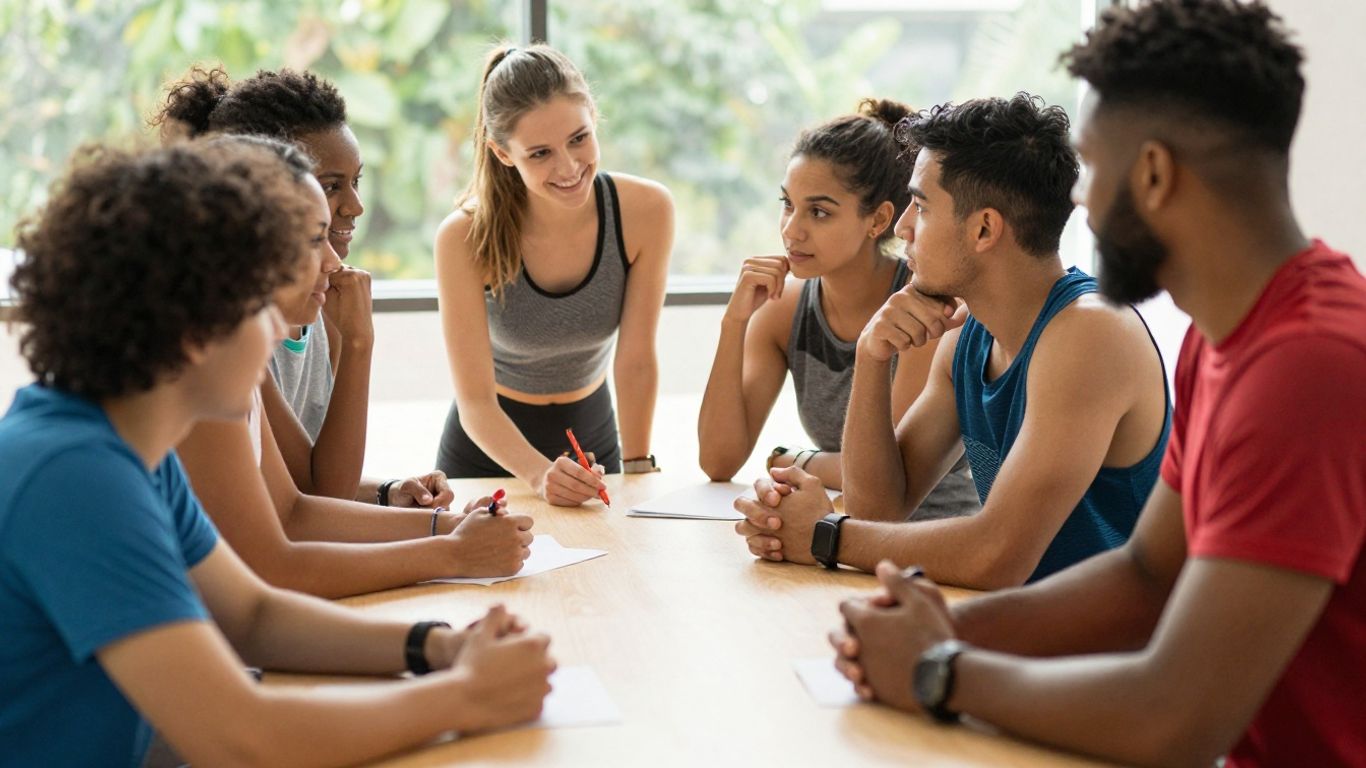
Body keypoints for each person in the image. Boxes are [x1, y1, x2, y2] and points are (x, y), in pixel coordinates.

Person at [828, 2, 1366, 766]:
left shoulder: (1309, 367)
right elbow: (1147, 575)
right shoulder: (1227, 339)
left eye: (1094, 166)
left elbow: (1176, 719)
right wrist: (942, 632)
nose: (1078, 200)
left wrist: (937, 669)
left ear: (1151, 172)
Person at [0, 141, 554, 766]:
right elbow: (241, 738)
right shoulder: (74, 477)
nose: (274, 331)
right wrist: (468, 698)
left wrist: (439, 648)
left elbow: (253, 615)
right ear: (190, 324)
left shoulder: (126, 451)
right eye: (259, 303)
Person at [735, 93, 1171, 589]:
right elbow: (879, 509)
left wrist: (824, 536)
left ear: (984, 228)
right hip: (1028, 634)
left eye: (919, 207)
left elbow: (997, 555)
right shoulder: (969, 335)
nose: (902, 229)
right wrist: (871, 356)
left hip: (1113, 653)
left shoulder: (1093, 334)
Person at [156, 65, 444, 508]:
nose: (357, 205)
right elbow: (314, 496)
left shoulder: (319, 298)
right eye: (332, 185)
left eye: (356, 181)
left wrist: (388, 494)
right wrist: (360, 345)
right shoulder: (234, 324)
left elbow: (305, 488)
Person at [697, 99, 978, 519]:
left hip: (933, 539)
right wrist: (734, 322)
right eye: (788, 204)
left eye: (819, 212)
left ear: (879, 219)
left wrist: (790, 458)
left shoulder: (925, 310)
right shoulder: (782, 312)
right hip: (845, 530)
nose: (792, 230)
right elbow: (719, 461)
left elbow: (884, 478)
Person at [434, 43, 674, 506]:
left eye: (579, 139)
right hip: (488, 455)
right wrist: (540, 475)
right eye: (540, 153)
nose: (568, 168)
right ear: (503, 154)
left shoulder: (647, 210)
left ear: (594, 120)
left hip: (594, 442)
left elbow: (637, 358)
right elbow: (476, 403)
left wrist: (640, 468)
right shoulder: (463, 237)